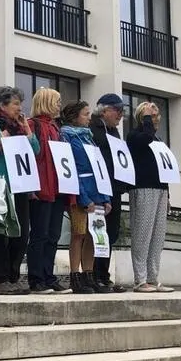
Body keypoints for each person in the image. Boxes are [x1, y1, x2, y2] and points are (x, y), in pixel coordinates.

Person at [0, 86, 37, 295]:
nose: (19, 108)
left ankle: (14, 277)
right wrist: (0, 141)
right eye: (15, 104)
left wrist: (28, 132)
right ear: (2, 105)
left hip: (21, 186)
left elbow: (36, 151)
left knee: (20, 235)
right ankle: (1, 279)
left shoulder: (21, 127)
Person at [59, 101, 112, 294]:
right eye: (85, 114)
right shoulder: (67, 136)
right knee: (79, 233)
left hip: (96, 190)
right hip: (80, 190)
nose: (89, 117)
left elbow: (98, 167)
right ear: (74, 117)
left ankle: (89, 274)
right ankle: (75, 275)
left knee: (93, 234)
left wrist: (105, 197)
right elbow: (71, 167)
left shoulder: (89, 137)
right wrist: (84, 197)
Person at [126, 101, 174, 293]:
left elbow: (165, 168)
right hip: (143, 188)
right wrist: (146, 117)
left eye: (156, 116)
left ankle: (153, 277)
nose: (154, 120)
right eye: (150, 116)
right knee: (142, 234)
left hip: (160, 189)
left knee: (157, 236)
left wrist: (168, 194)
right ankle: (140, 279)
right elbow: (145, 137)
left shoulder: (159, 140)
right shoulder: (135, 135)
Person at [27, 88, 70, 294]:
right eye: (57, 101)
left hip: (57, 189)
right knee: (39, 234)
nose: (60, 105)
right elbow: (31, 158)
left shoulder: (56, 128)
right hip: (42, 189)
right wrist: (31, 187)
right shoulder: (33, 125)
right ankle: (36, 278)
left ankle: (48, 276)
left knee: (53, 235)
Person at [89, 93, 128, 292]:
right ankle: (93, 275)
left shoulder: (114, 132)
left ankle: (104, 275)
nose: (121, 115)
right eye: (118, 110)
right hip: (98, 189)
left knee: (111, 233)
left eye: (123, 111)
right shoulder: (92, 129)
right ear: (105, 110)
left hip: (114, 189)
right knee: (97, 232)